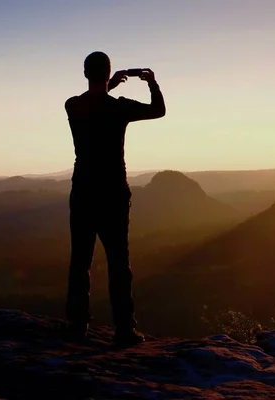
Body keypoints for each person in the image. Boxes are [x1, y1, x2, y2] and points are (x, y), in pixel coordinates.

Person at [63, 51, 166, 346]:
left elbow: (93, 104)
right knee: (119, 262)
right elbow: (158, 110)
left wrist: (110, 85)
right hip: (113, 194)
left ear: (85, 74)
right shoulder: (119, 109)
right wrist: (152, 83)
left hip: (82, 191)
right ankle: (124, 330)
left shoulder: (73, 105)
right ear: (108, 74)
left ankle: (76, 326)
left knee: (80, 260)